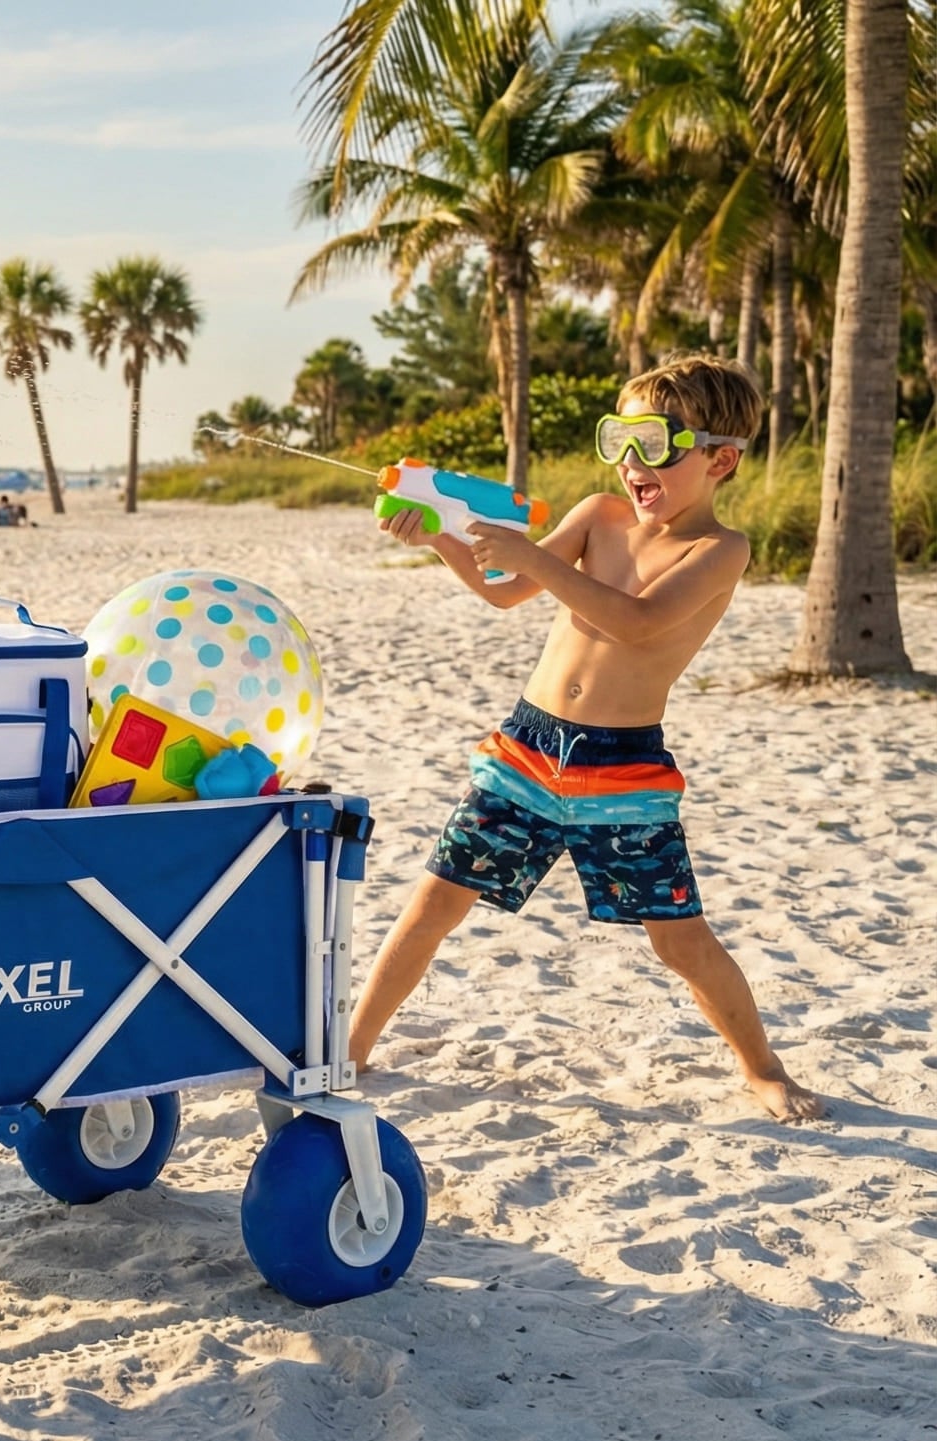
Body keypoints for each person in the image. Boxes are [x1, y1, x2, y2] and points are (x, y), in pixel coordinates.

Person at [347, 355, 822, 1122]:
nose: (634, 465)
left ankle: (762, 1068)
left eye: (656, 445)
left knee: (679, 941)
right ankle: (354, 1047)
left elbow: (635, 623)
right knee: (435, 901)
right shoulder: (600, 517)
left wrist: (531, 554)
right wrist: (439, 540)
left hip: (622, 770)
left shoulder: (718, 551)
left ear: (720, 459)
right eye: (620, 442)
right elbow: (506, 593)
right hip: (527, 751)